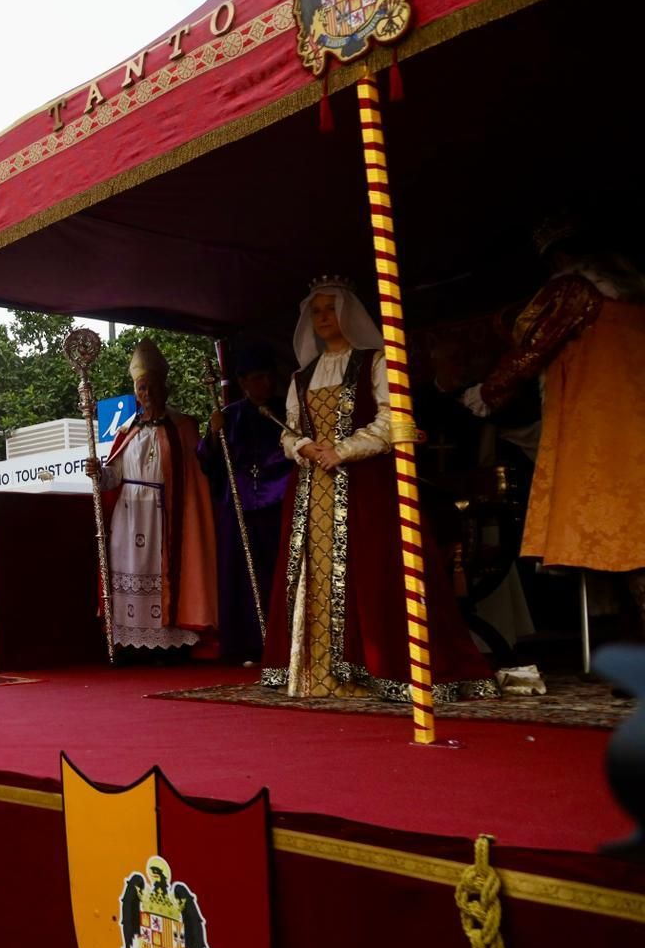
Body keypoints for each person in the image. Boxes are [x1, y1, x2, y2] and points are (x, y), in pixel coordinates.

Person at [261, 278, 499, 701]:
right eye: (316, 313)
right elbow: (290, 430)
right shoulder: (302, 376)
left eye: (330, 310)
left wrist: (344, 450)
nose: (323, 319)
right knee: (314, 572)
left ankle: (375, 667)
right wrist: (301, 445)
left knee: (372, 570)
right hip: (312, 489)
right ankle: (319, 672)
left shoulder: (375, 362)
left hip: (366, 486)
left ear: (347, 314)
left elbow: (392, 420)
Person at [464, 216, 645, 630]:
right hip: (633, 425)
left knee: (617, 542)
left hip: (601, 428)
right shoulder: (635, 296)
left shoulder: (573, 290)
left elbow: (533, 345)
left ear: (560, 257)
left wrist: (488, 392)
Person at [95, 339, 218, 658]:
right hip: (128, 514)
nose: (145, 394)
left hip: (165, 515)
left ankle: (168, 645)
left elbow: (197, 476)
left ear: (164, 388)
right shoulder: (126, 430)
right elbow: (113, 477)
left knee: (164, 574)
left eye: (150, 387)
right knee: (130, 572)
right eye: (140, 388)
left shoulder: (183, 426)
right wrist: (97, 472)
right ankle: (130, 643)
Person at [196, 344, 293, 666]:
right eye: (257, 378)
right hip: (239, 506)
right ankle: (249, 644)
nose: (264, 384)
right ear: (244, 382)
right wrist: (213, 435)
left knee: (279, 572)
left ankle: (286, 640)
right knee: (242, 577)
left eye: (268, 377)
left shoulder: (285, 411)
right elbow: (208, 462)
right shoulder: (230, 415)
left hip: (277, 502)